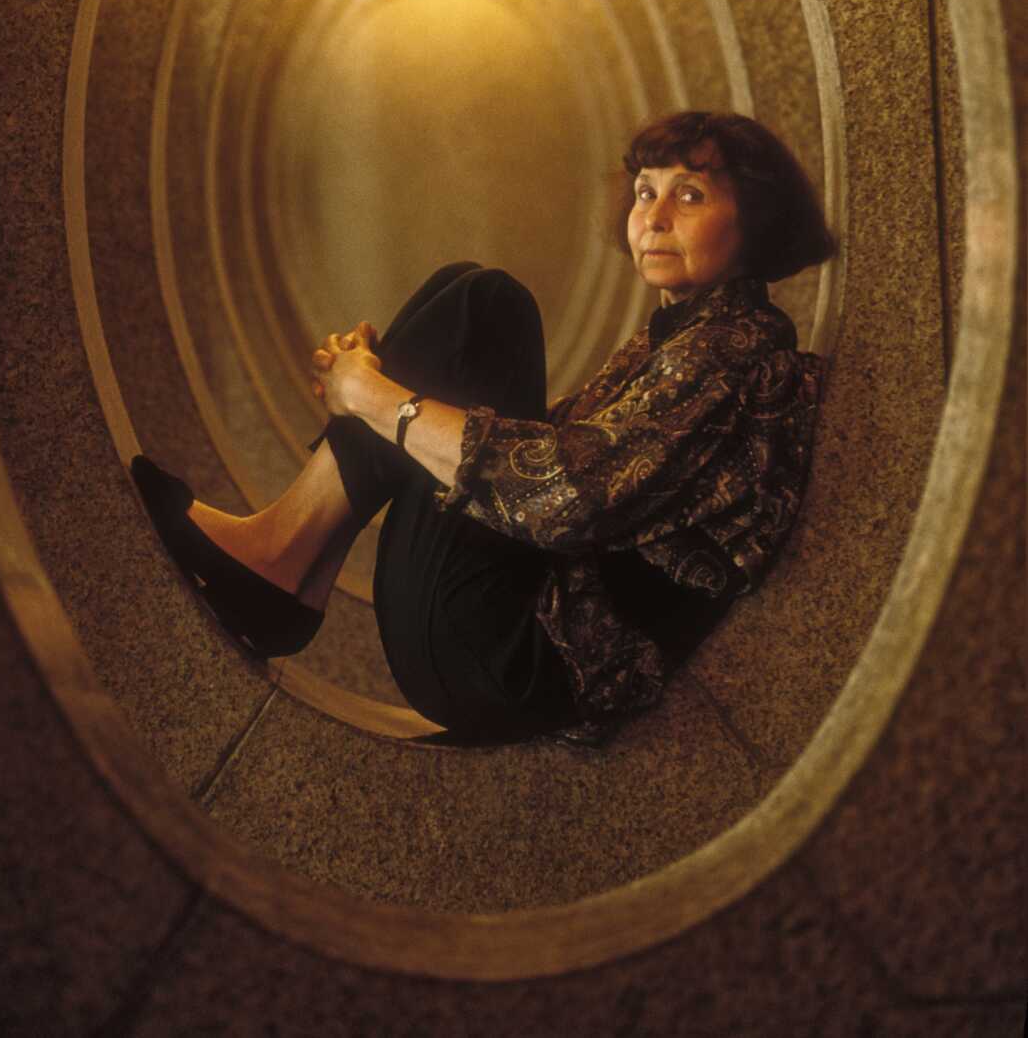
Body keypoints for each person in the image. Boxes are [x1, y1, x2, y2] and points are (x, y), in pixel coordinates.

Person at [132, 110, 835, 745]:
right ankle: (292, 564)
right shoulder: (678, 340)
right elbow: (538, 458)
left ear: (758, 220)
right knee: (463, 293)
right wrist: (381, 387)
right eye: (645, 191)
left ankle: (283, 553)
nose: (652, 216)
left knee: (487, 308)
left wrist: (373, 396)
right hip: (492, 644)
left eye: (691, 195)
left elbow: (565, 494)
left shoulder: (735, 351)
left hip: (522, 657)